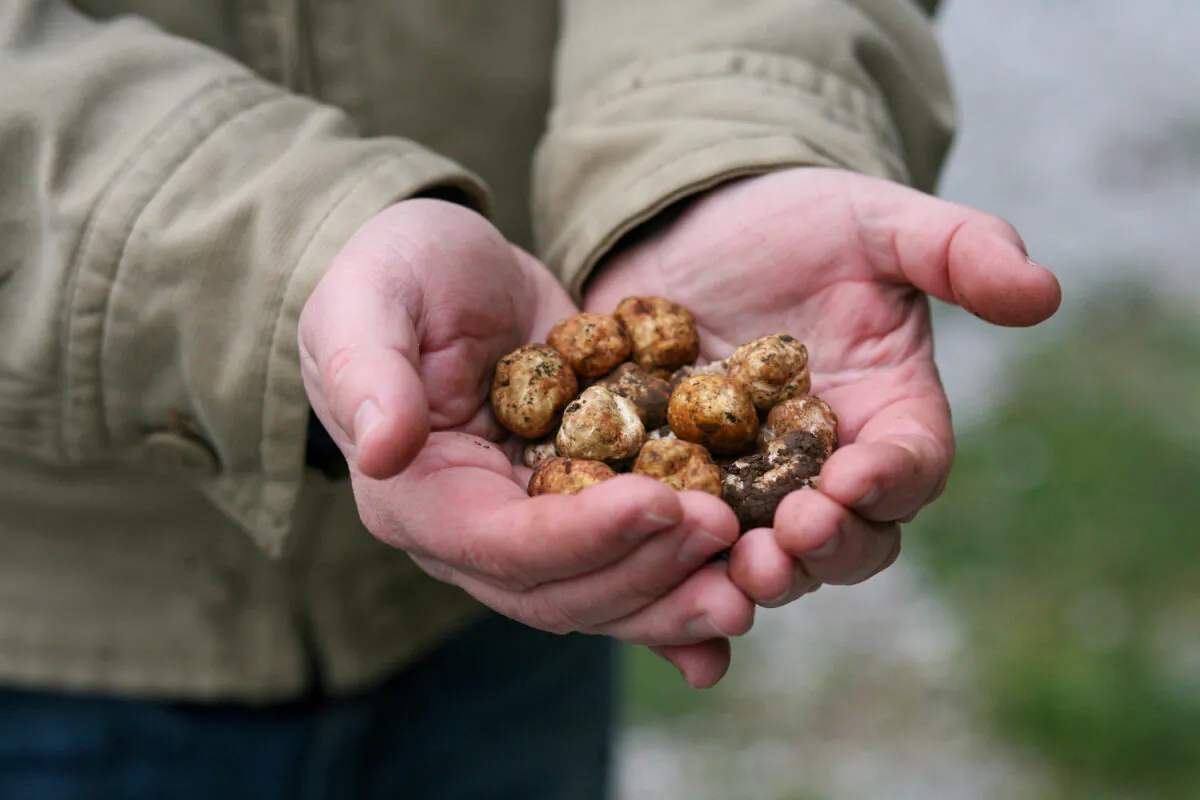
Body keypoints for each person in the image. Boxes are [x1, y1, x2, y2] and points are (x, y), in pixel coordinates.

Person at [0, 1, 1060, 797]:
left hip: (504, 608)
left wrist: (726, 134)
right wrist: (287, 242)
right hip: (54, 614)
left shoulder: (613, 416)